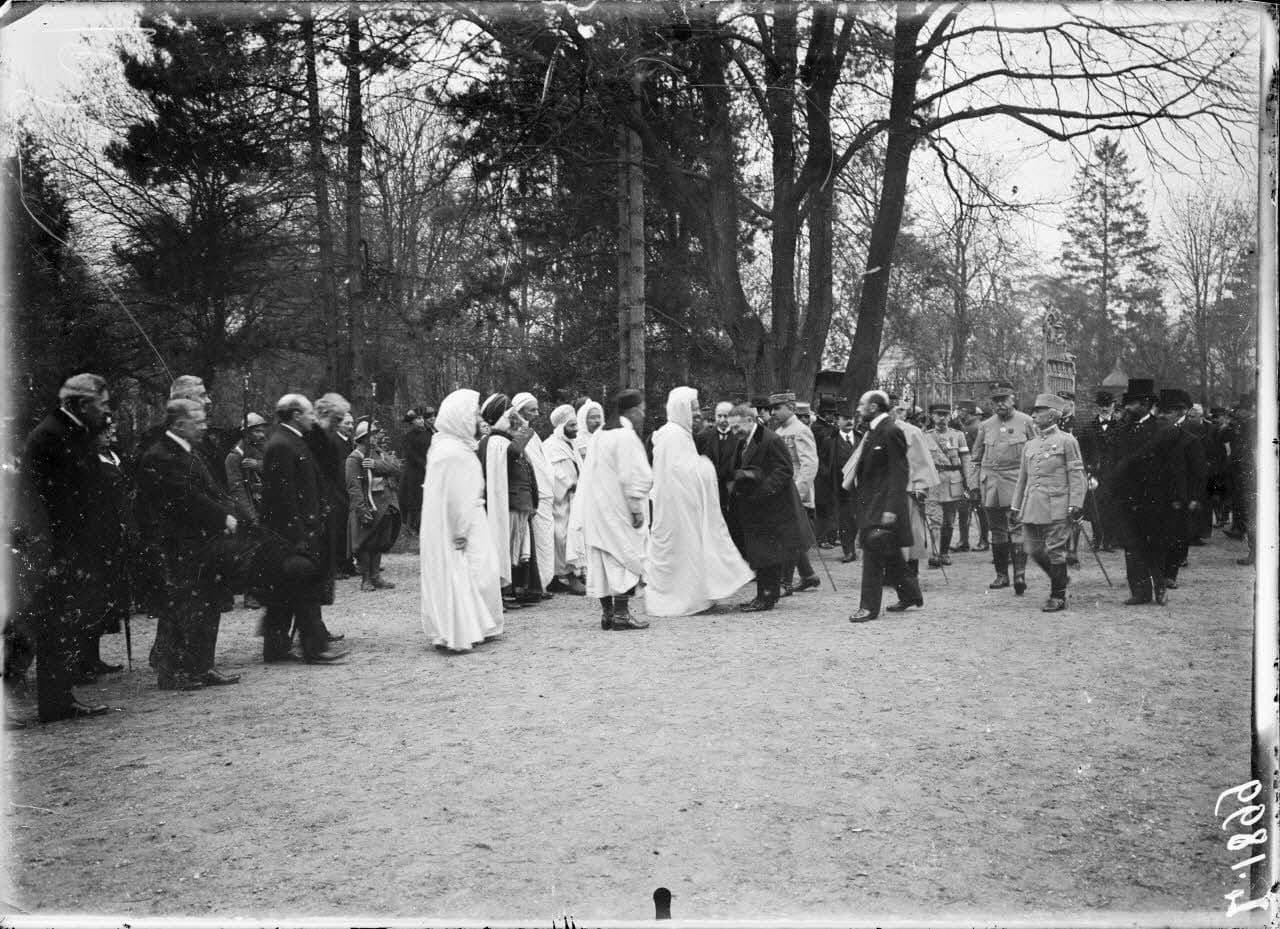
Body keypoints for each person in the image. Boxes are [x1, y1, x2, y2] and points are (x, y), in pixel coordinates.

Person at [20, 374, 114, 722]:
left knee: (64, 621)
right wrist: (68, 550)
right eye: (101, 405)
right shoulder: (51, 436)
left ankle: (60, 698)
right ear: (80, 404)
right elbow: (56, 503)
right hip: (56, 547)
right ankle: (56, 702)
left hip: (69, 545)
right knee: (56, 621)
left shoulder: (69, 432)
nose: (105, 412)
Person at [135, 398, 244, 690]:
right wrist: (223, 515)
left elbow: (211, 488)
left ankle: (201, 665)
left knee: (207, 603)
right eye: (198, 421)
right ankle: (173, 672)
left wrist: (229, 510)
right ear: (179, 424)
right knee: (183, 606)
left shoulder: (190, 451)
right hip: (178, 545)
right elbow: (185, 498)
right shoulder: (160, 455)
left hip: (204, 542)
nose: (205, 425)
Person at [645, 387, 754, 616]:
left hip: (684, 507)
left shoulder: (682, 435)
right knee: (680, 552)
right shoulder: (672, 435)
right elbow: (677, 474)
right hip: (675, 509)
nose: (696, 413)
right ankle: (680, 598)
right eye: (693, 408)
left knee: (690, 551)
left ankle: (696, 594)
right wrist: (704, 466)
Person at [258, 394, 348, 663]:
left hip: (299, 531)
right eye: (309, 413)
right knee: (304, 589)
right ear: (296, 414)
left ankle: (276, 648)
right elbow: (283, 497)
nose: (313, 418)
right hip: (291, 536)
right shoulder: (282, 445)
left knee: (284, 594)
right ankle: (314, 648)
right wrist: (299, 536)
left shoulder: (292, 440)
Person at [419, 389, 504, 651]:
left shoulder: (447, 447)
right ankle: (463, 626)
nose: (477, 418)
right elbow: (457, 496)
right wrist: (461, 530)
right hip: (462, 523)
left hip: (463, 520)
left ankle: (477, 623)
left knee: (480, 572)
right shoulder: (453, 452)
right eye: (473, 413)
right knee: (476, 571)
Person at [846, 390, 923, 622]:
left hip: (883, 505)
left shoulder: (891, 431)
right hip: (871, 503)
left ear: (873, 407)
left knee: (872, 551)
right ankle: (910, 594)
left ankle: (868, 607)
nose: (858, 408)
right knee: (888, 550)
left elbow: (899, 474)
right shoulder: (873, 430)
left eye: (861, 404)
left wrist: (891, 509)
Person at [1109, 378, 1187, 605]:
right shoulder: (1123, 428)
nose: (1127, 409)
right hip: (1128, 497)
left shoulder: (1162, 429)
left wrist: (1175, 497)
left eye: (1132, 404)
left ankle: (1160, 586)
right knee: (1132, 546)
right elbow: (1115, 460)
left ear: (1144, 403)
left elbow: (1174, 467)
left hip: (1154, 498)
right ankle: (1140, 592)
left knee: (1154, 544)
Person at [579, 389, 653, 630]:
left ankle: (608, 614)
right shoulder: (624, 436)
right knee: (625, 555)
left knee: (602, 558)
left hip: (597, 509)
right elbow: (633, 475)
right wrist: (636, 508)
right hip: (618, 507)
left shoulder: (600, 434)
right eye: (641, 409)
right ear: (631, 411)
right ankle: (621, 615)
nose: (643, 414)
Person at [727, 402, 808, 611]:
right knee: (761, 552)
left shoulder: (771, 439)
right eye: (732, 428)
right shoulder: (744, 440)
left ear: (750, 420)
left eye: (737, 427)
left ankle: (767, 597)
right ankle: (763, 595)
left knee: (769, 554)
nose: (734, 432)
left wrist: (762, 492)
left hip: (771, 507)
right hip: (754, 508)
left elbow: (784, 470)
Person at [1010, 394, 1087, 612]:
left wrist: (1075, 504)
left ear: (1052, 414)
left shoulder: (1067, 441)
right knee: (1033, 549)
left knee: (1055, 550)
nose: (1033, 415)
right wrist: (1016, 506)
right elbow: (1022, 478)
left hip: (1058, 505)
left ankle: (1058, 596)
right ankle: (1060, 578)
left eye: (1039, 411)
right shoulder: (1030, 445)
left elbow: (1076, 474)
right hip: (1032, 504)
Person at [970, 380, 1037, 595]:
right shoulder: (986, 425)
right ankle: (1001, 575)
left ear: (1013, 399)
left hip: (1016, 483)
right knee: (996, 531)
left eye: (1004, 400)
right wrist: (974, 484)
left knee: (1017, 529)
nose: (1000, 404)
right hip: (991, 485)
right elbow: (976, 458)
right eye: (995, 401)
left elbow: (1036, 454)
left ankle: (1019, 574)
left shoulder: (1027, 422)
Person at [478, 394, 541, 608]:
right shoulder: (495, 441)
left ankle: (512, 591)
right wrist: (524, 429)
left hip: (514, 503)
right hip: (506, 505)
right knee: (506, 548)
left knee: (513, 549)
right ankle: (503, 593)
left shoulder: (501, 439)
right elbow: (513, 453)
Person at [81, 415, 131, 680]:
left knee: (106, 599)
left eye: (112, 428)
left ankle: (93, 656)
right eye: (105, 429)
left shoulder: (114, 456)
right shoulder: (90, 462)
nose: (111, 432)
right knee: (92, 599)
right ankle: (83, 660)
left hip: (117, 534)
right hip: (99, 537)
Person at [768, 391, 821, 594]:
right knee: (791, 536)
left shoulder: (801, 430)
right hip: (783, 491)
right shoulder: (780, 431)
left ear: (790, 407)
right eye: (772, 408)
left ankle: (785, 582)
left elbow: (809, 465)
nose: (773, 412)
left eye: (777, 408)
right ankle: (808, 575)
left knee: (789, 537)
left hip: (797, 493)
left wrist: (797, 493)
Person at [1157, 388, 1207, 588]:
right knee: (1158, 533)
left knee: (1178, 535)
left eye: (1168, 412)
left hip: (1180, 494)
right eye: (1162, 411)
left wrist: (1195, 497)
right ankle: (1158, 571)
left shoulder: (1191, 436)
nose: (1163, 415)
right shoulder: (1156, 431)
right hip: (1157, 492)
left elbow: (1198, 472)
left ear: (1180, 412)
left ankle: (1171, 573)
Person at [346, 419, 403, 591]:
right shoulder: (354, 458)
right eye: (371, 435)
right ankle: (366, 579)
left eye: (375, 434)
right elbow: (353, 487)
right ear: (362, 438)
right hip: (367, 505)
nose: (375, 438)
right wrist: (361, 509)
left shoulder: (379, 454)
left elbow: (397, 467)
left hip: (384, 505)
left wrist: (376, 465)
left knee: (380, 541)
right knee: (365, 542)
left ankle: (376, 576)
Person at [512, 392, 555, 599]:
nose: (537, 413)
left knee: (544, 541)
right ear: (519, 411)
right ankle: (536, 585)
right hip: (531, 496)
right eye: (532, 409)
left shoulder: (531, 432)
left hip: (544, 494)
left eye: (537, 409)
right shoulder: (517, 432)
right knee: (535, 543)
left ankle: (542, 583)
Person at [311, 393, 356, 582]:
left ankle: (346, 562)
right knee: (336, 526)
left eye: (351, 424)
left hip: (344, 488)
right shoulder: (330, 440)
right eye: (345, 422)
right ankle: (337, 564)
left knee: (344, 527)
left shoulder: (348, 442)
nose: (349, 426)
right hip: (334, 490)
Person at [921, 402, 970, 568]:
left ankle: (944, 552)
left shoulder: (958, 435)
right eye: (938, 414)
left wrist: (969, 483)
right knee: (935, 520)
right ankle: (934, 554)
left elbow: (965, 460)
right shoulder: (925, 436)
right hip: (933, 482)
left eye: (945, 414)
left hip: (953, 482)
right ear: (932, 416)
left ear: (950, 416)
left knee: (949, 521)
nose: (942, 418)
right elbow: (920, 462)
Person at [544, 404, 587, 595]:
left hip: (575, 500)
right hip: (560, 501)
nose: (576, 429)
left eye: (576, 424)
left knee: (575, 535)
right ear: (562, 426)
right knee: (560, 537)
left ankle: (572, 574)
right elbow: (557, 476)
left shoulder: (571, 443)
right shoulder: (552, 446)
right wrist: (573, 484)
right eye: (571, 425)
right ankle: (564, 576)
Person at [696, 400, 745, 556]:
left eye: (726, 416)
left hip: (732, 489)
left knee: (734, 525)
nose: (723, 420)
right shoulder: (704, 437)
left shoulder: (740, 437)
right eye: (719, 416)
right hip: (712, 488)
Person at [1075, 390, 1119, 552]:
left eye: (1108, 405)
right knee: (1094, 508)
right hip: (1095, 475)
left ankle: (1108, 541)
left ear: (1114, 406)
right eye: (1102, 405)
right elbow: (1082, 453)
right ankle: (1097, 538)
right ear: (1097, 407)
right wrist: (1088, 472)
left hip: (1114, 474)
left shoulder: (1121, 426)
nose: (1105, 408)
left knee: (1111, 507)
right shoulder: (1088, 428)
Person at [825, 399, 860, 563]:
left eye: (851, 418)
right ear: (837, 420)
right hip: (839, 487)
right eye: (845, 418)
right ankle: (849, 550)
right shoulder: (829, 441)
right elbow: (824, 464)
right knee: (845, 518)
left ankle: (856, 546)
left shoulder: (862, 439)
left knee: (857, 519)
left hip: (860, 486)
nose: (849, 421)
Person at [952, 401, 986, 552]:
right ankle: (965, 541)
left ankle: (982, 540)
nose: (958, 412)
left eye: (960, 410)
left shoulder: (974, 427)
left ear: (968, 411)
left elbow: (976, 453)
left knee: (978, 508)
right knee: (965, 507)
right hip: (969, 472)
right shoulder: (967, 426)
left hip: (974, 473)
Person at [398, 407, 434, 535]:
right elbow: (410, 454)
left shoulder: (429, 434)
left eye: (421, 418)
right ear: (411, 422)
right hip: (414, 472)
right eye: (417, 419)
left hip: (429, 470)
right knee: (414, 499)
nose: (421, 421)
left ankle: (427, 526)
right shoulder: (408, 437)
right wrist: (424, 464)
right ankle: (412, 527)